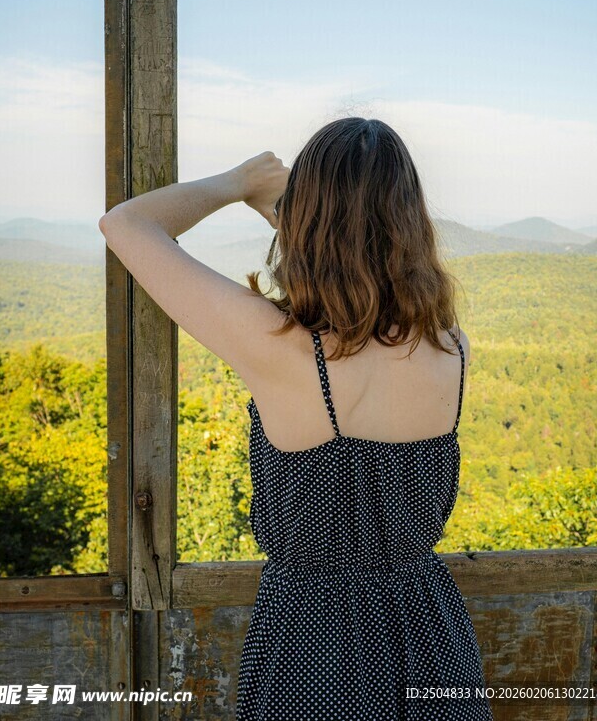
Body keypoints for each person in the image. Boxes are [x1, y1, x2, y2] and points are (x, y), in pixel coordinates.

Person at [99, 116, 494, 720]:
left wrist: (243, 182)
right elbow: (365, 266)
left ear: (305, 217)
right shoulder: (449, 346)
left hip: (312, 641)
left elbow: (126, 223)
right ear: (412, 217)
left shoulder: (280, 346)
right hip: (431, 632)